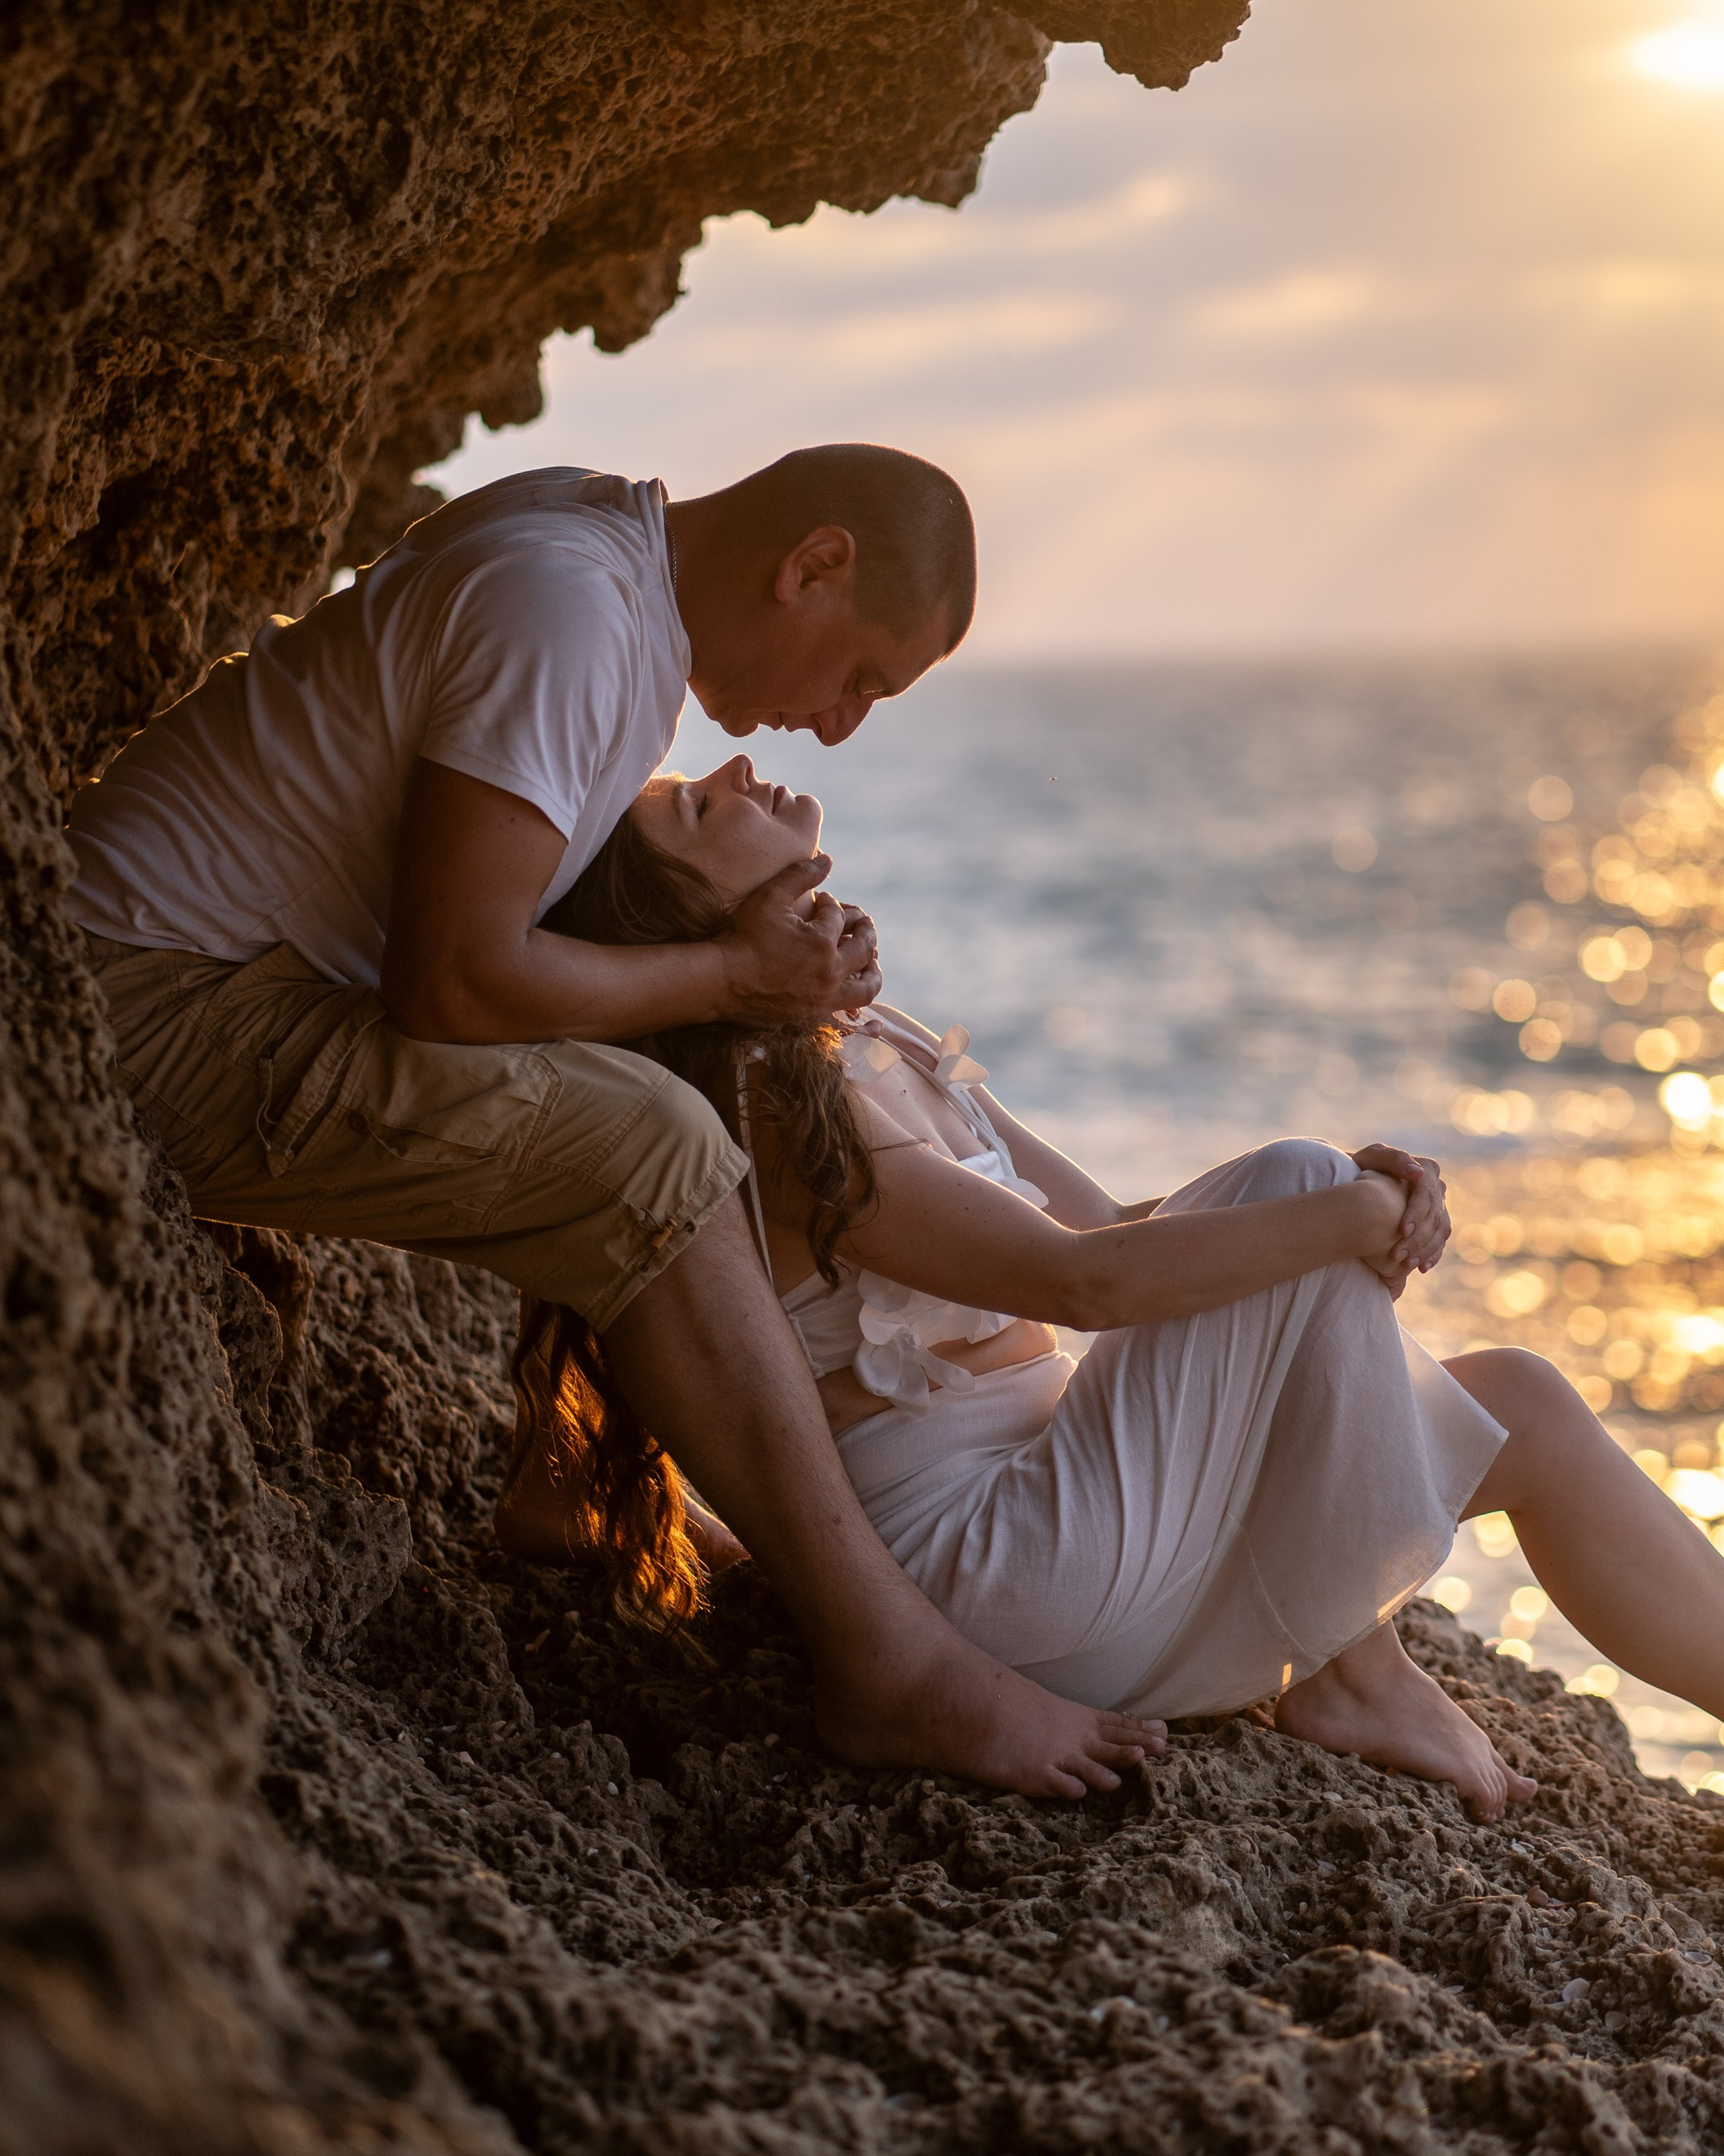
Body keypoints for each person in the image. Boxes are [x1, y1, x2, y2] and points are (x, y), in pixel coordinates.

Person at [518, 758, 1724, 1905]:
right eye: (688, 810)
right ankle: (1346, 1658)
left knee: (1514, 1396)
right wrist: (1337, 1213)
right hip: (995, 1573)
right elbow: (1093, 1294)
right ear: (683, 917)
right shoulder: (772, 1115)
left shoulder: (878, 1047)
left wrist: (1339, 1219)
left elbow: (1117, 1230)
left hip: (1082, 1507)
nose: (728, 769)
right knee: (1296, 1183)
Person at [65, 449, 1167, 1801]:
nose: (837, 729)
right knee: (654, 1145)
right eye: (862, 677)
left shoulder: (592, 539)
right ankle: (896, 1669)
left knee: (618, 1101)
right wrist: (733, 978)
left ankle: (574, 1474)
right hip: (140, 1010)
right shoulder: (578, 618)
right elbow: (457, 980)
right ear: (812, 566)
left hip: (158, 973)